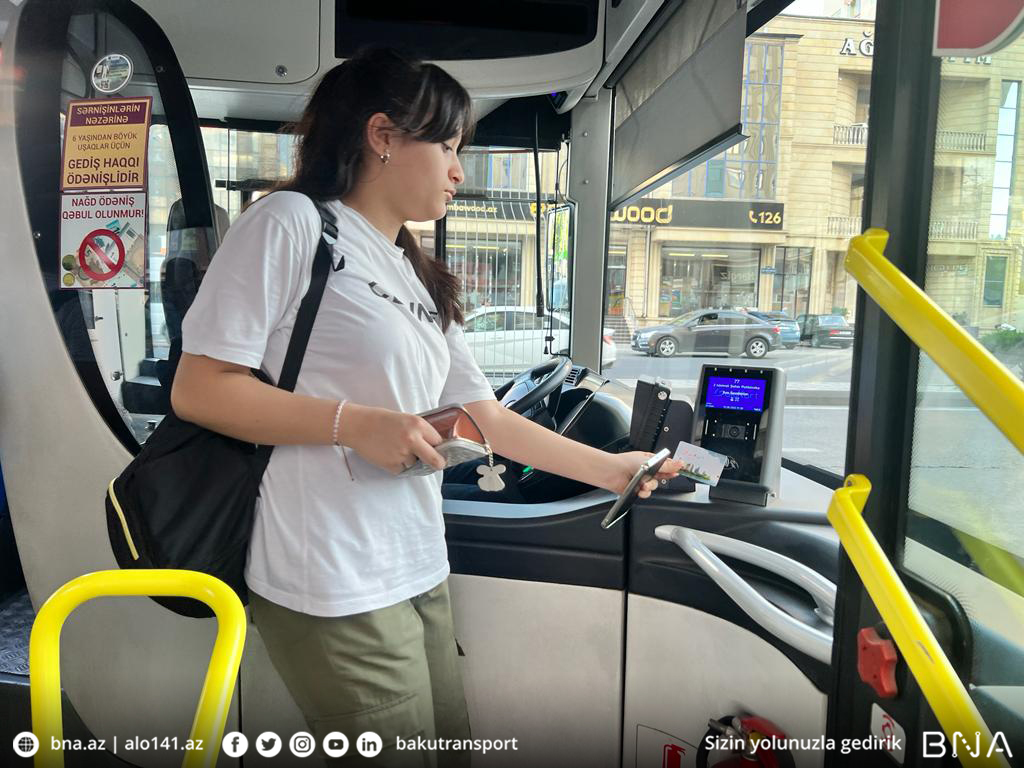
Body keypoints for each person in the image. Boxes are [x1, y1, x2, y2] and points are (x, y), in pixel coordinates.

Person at [171, 47, 681, 767]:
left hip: (416, 565)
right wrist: (353, 424)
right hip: (332, 579)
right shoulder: (290, 224)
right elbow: (200, 387)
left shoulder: (412, 269)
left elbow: (483, 419)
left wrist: (614, 469)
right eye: (447, 146)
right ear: (382, 136)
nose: (458, 171)